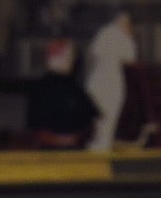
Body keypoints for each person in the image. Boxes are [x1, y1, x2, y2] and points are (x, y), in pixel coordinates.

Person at [25, 38, 97, 148]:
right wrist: (68, 140)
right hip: (72, 156)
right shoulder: (75, 90)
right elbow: (91, 129)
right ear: (65, 57)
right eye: (72, 56)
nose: (73, 60)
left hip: (45, 157)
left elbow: (32, 130)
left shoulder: (37, 89)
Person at [84, 12, 139, 152]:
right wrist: (129, 36)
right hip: (111, 80)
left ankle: (98, 144)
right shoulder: (121, 36)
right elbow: (131, 58)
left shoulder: (103, 33)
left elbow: (94, 52)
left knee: (99, 117)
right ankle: (103, 146)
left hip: (96, 79)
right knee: (109, 117)